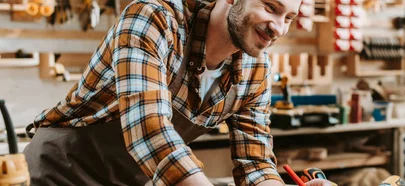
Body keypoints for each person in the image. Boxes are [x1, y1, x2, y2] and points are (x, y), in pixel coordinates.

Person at [23, 0, 332, 185]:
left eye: (288, 18)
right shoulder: (153, 20)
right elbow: (150, 131)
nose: (279, 27)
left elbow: (255, 164)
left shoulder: (255, 69)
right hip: (58, 175)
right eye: (270, 7)